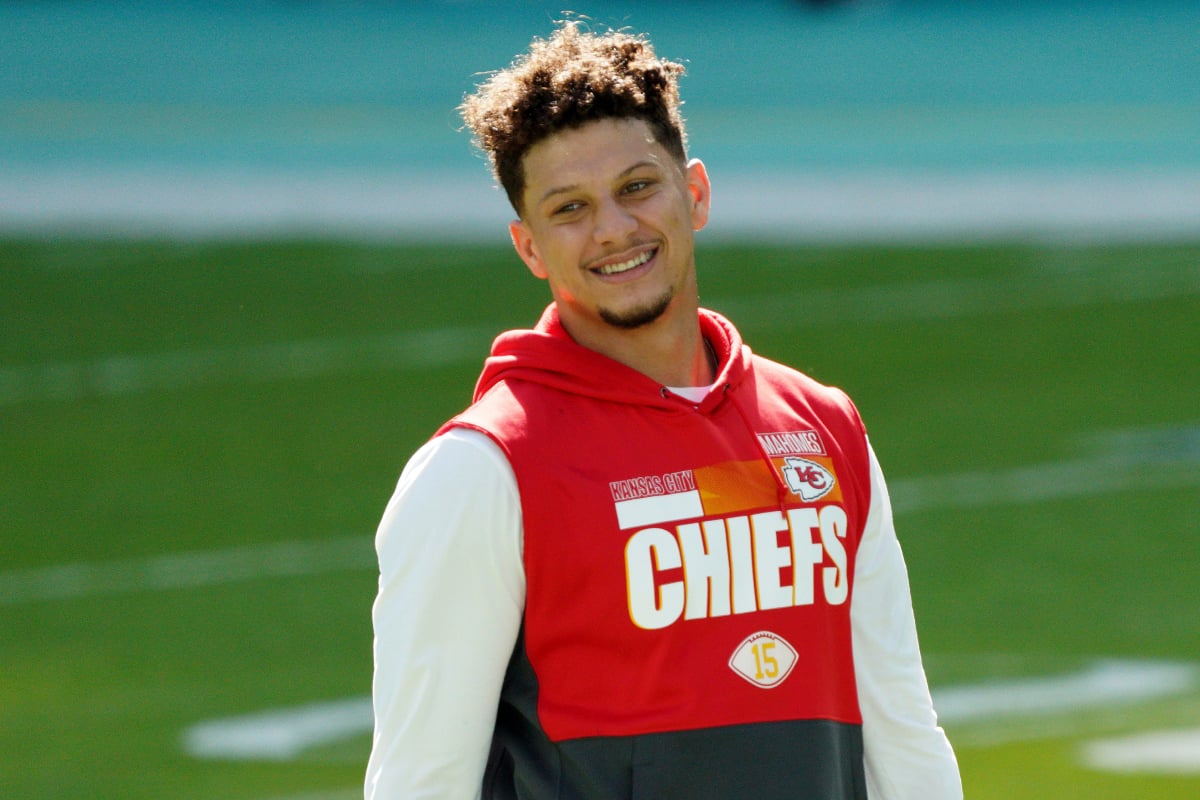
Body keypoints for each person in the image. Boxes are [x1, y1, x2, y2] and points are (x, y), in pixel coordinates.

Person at [365, 20, 961, 800]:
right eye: (569, 208)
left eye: (637, 187)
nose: (614, 229)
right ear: (530, 248)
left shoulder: (821, 427)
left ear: (697, 192)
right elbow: (421, 781)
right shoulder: (480, 470)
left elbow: (902, 734)